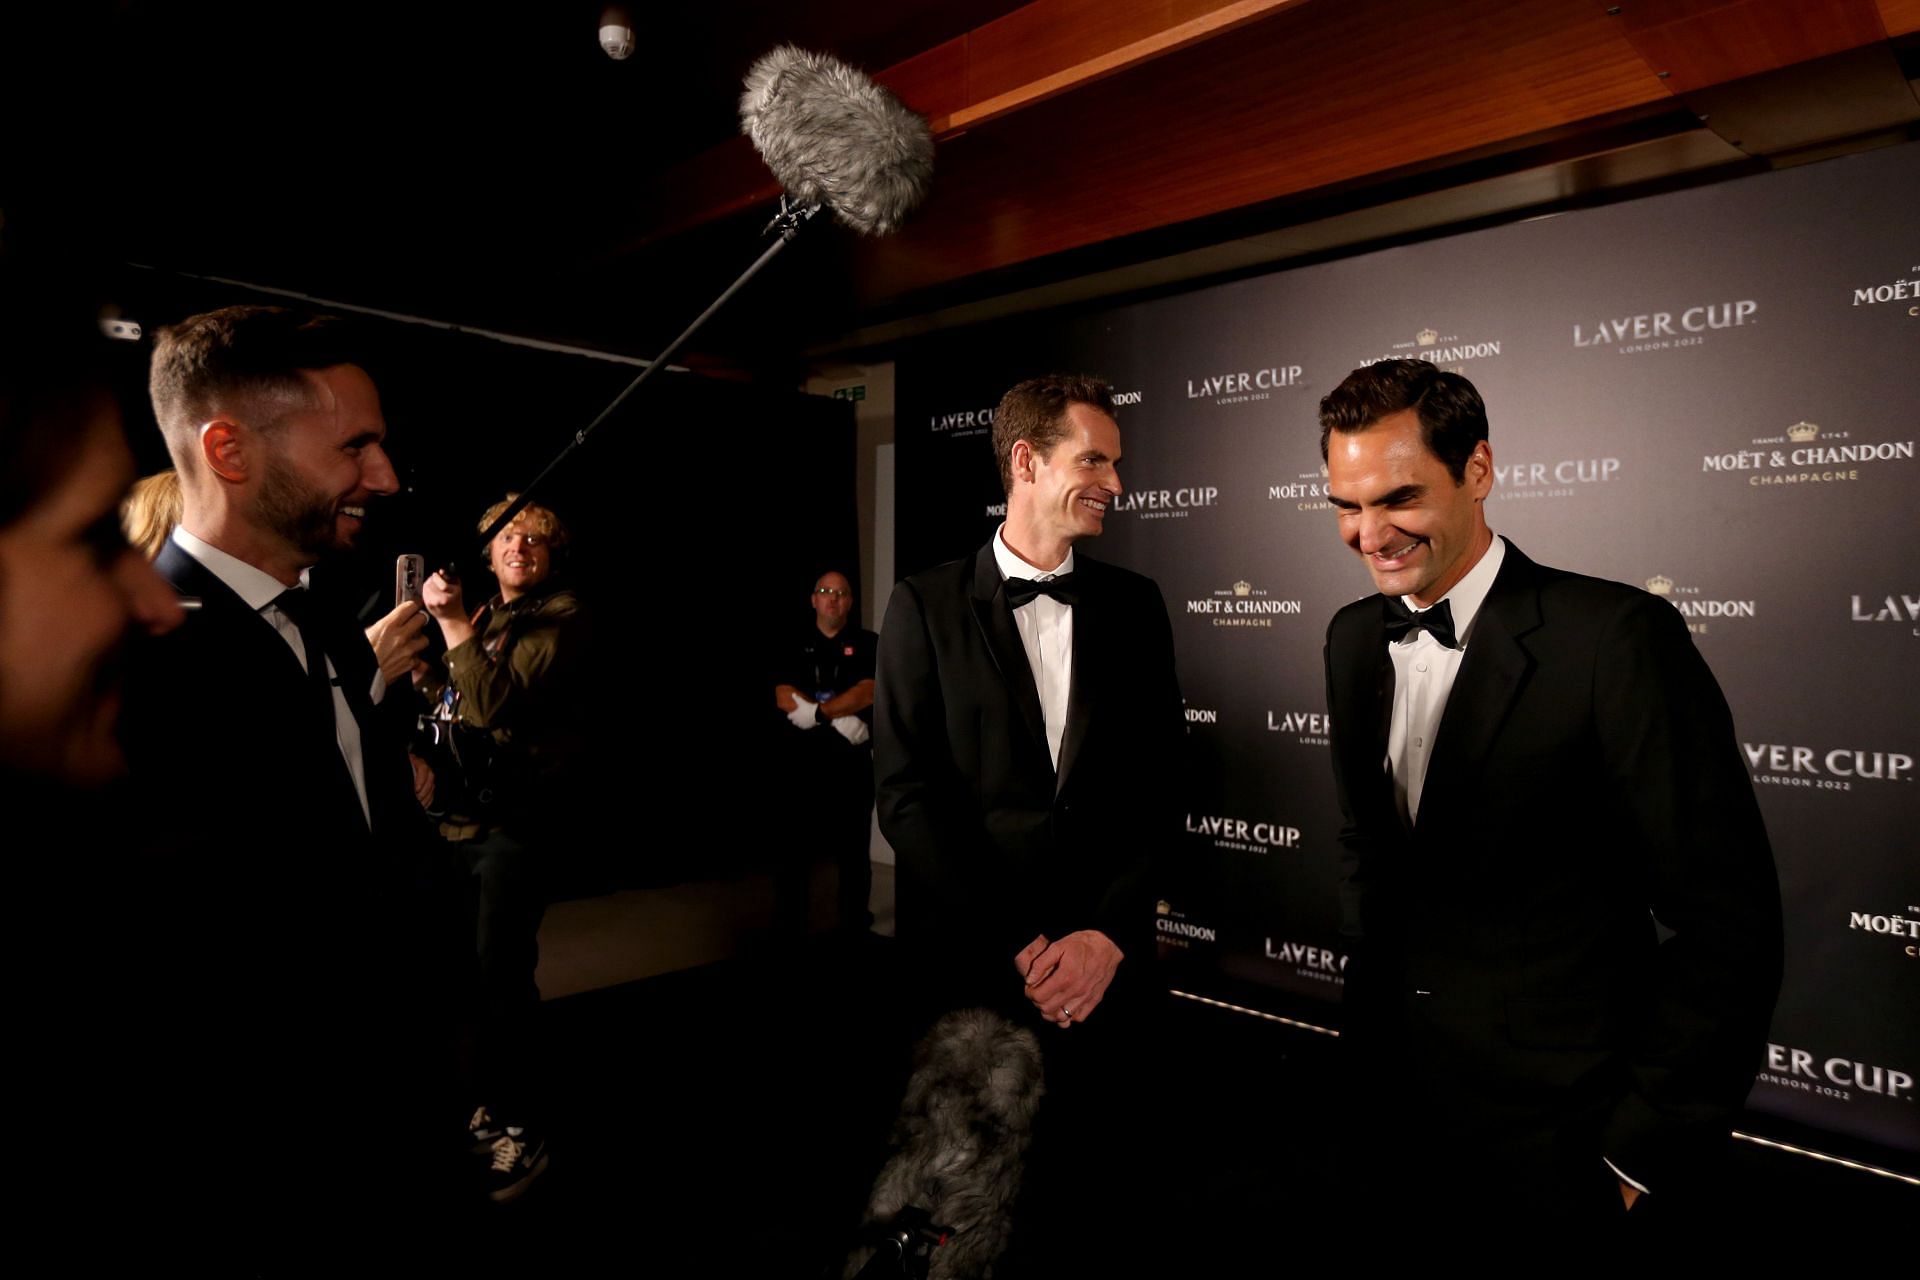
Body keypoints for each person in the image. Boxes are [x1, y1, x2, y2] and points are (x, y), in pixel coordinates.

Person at [1318, 358, 1782, 1227]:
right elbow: (1369, 847)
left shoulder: (1615, 639)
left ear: (1480, 471)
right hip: (1390, 1110)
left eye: (1398, 499)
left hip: (1563, 1138)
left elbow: (1729, 918)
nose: (1368, 534)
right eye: (1346, 504)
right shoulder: (1350, 641)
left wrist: (1640, 1148)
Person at [117, 305, 470, 1253]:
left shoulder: (314, 622)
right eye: (355, 446)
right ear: (229, 450)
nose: (386, 478)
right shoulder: (137, 665)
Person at [873, 373, 1183, 1267]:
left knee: (1099, 1196)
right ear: (1025, 461)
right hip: (975, 963)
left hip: (1106, 967)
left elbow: (1163, 784)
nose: (1116, 485)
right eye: (1095, 460)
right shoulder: (923, 605)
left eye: (1116, 464)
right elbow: (906, 797)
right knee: (960, 1205)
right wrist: (1023, 941)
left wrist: (1105, 935)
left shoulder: (1136, 603)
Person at [420, 493, 596, 1195]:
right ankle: (488, 1106)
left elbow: (496, 704)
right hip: (459, 823)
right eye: (506, 537)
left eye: (534, 540)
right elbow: (465, 702)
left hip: (513, 831)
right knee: (464, 981)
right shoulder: (491, 616)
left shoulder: (565, 616)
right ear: (486, 554)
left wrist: (451, 624)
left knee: (503, 985)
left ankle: (526, 1132)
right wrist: (425, 672)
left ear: (551, 556)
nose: (519, 547)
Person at [773, 568, 877, 936]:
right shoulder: (793, 642)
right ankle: (792, 926)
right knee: (793, 852)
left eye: (842, 592)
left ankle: (854, 925)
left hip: (851, 768)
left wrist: (816, 713)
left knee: (854, 854)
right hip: (802, 767)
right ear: (813, 599)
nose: (833, 597)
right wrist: (837, 718)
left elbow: (868, 691)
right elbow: (783, 695)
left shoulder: (867, 643)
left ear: (849, 602)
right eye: (825, 590)